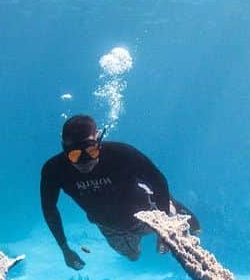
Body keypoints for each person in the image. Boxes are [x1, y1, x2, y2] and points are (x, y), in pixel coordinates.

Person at [40, 114, 200, 268]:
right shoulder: (53, 170)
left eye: (91, 151)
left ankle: (172, 205)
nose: (85, 161)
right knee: (133, 256)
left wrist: (165, 228)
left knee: (171, 220)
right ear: (64, 150)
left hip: (148, 213)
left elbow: (158, 181)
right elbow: (49, 209)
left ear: (98, 141)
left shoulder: (121, 154)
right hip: (109, 226)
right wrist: (64, 249)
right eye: (75, 155)